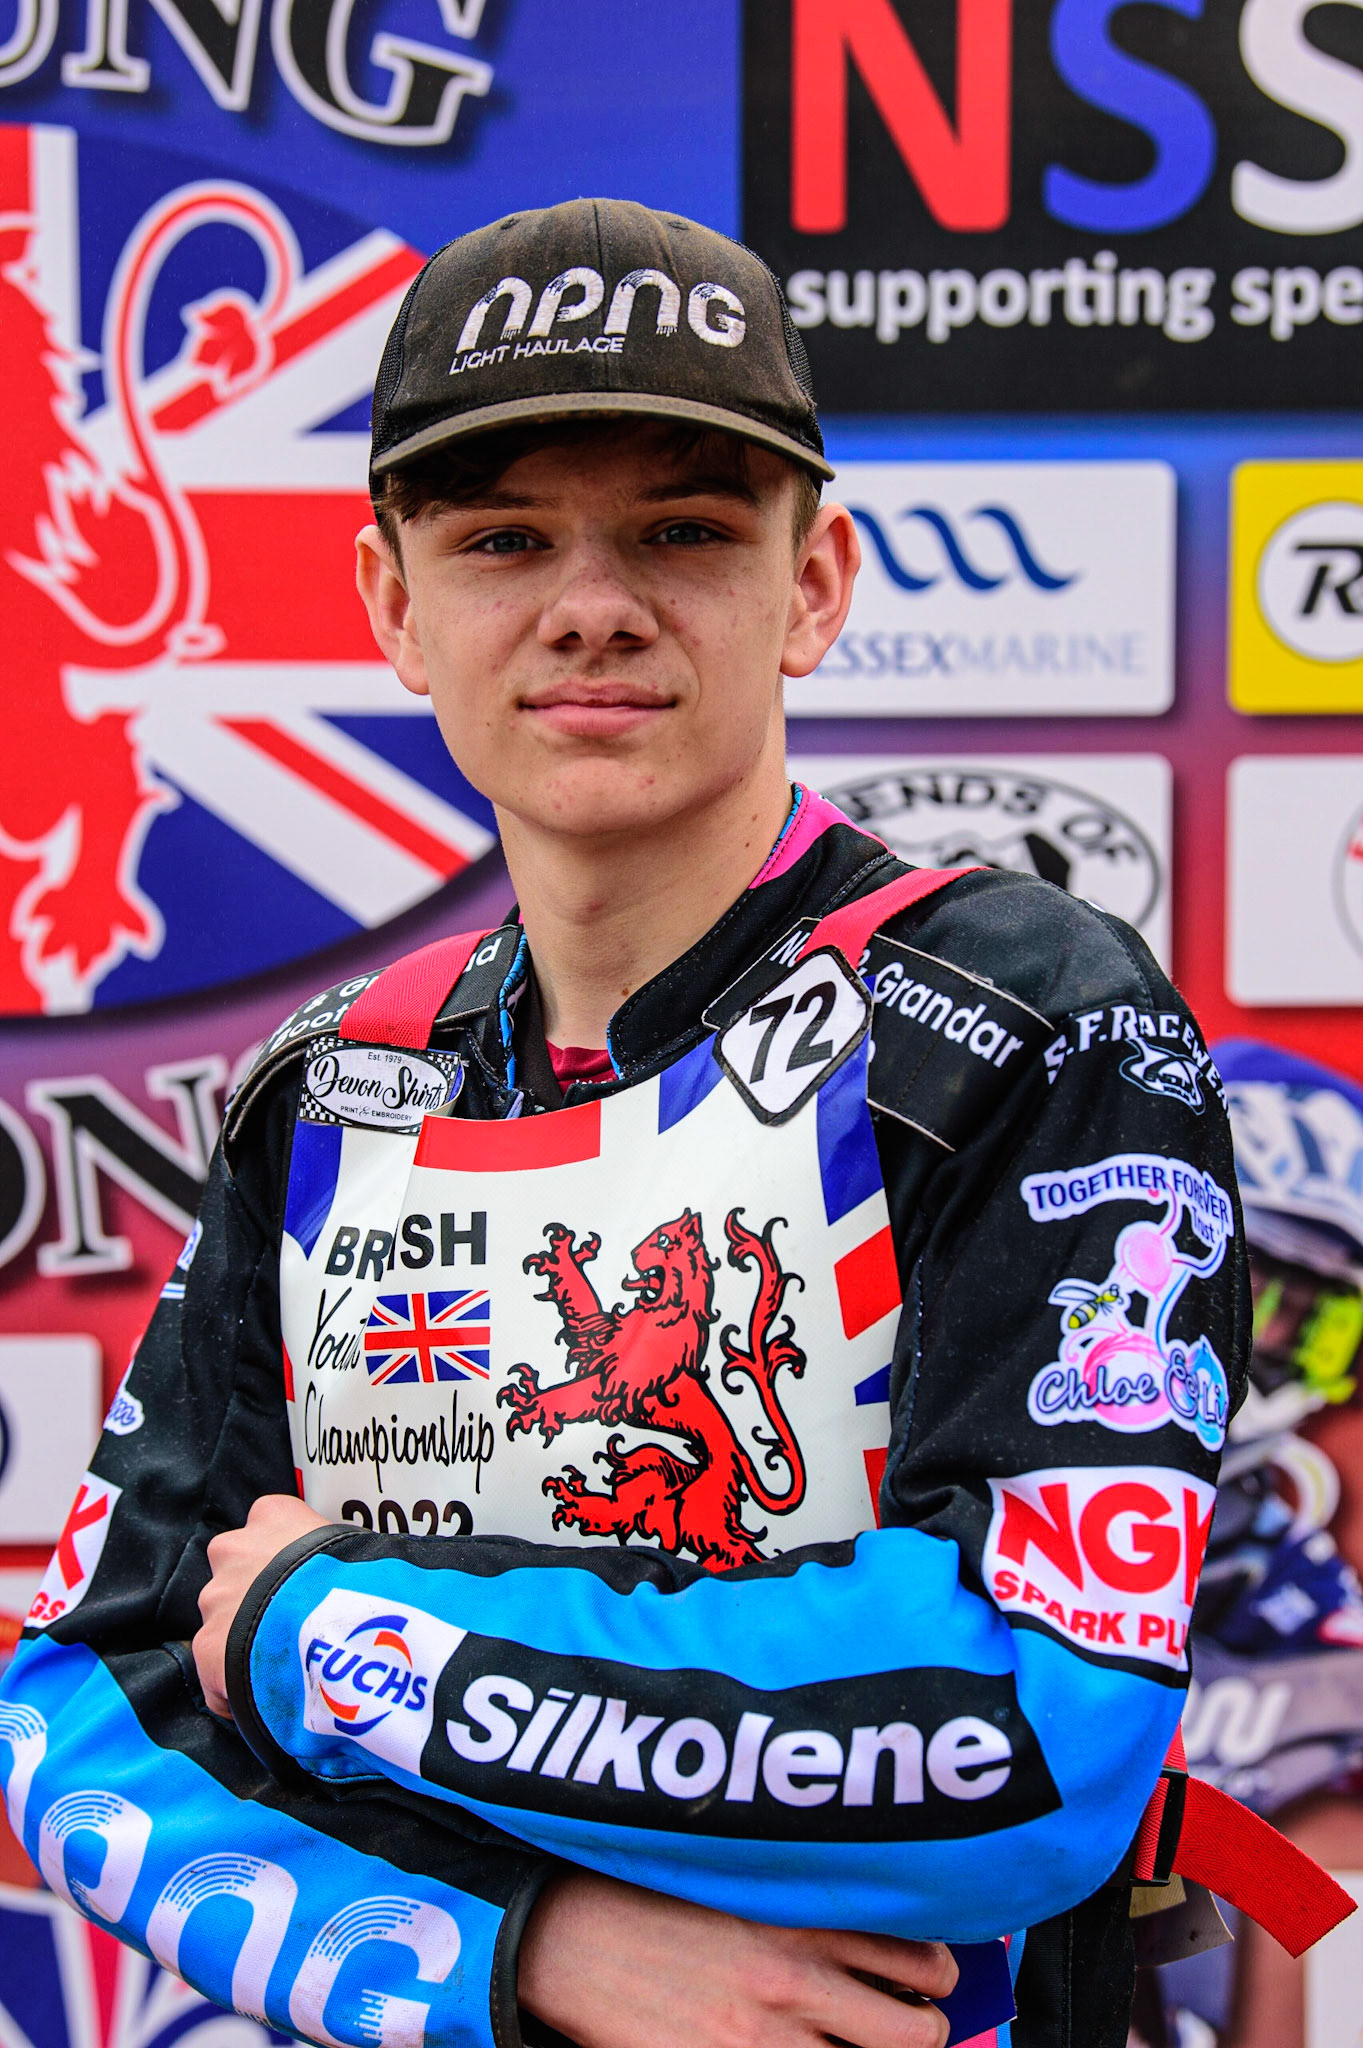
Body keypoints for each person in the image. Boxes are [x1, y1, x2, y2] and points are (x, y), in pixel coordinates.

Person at [0, 199, 1250, 2048]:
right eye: (505, 538)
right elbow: (83, 1707)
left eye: (683, 529)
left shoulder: (1022, 1020)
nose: (594, 601)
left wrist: (322, 1636)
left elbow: (1033, 1719)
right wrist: (531, 1947)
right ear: (393, 606)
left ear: (813, 586)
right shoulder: (342, 1080)